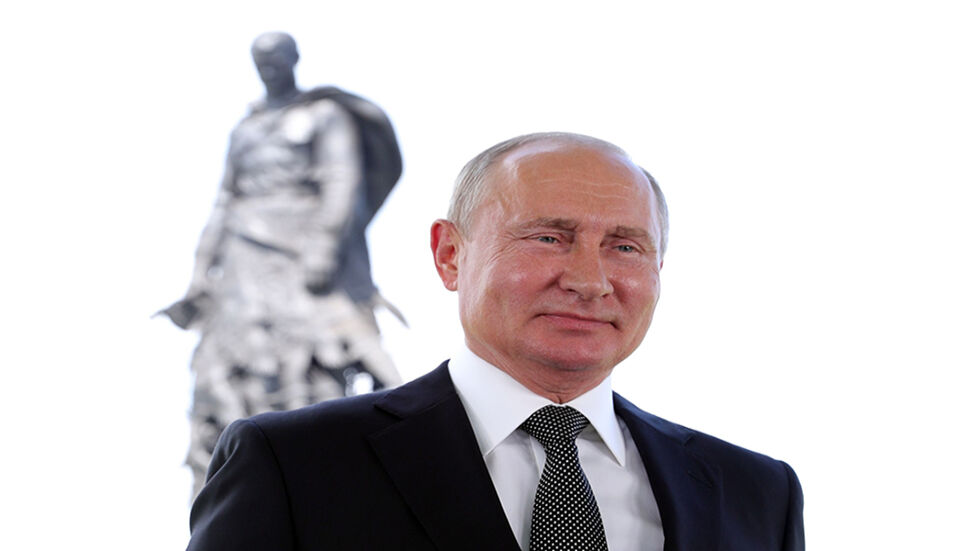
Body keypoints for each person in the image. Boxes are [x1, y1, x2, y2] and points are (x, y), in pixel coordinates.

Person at [186, 132, 805, 550]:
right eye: (549, 238)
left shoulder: (757, 493)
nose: (590, 281)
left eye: (625, 247)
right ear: (450, 254)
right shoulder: (292, 465)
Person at [161, 31, 403, 497]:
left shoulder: (324, 115)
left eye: (276, 58)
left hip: (301, 250)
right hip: (244, 256)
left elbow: (341, 178)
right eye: (261, 60)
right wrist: (199, 275)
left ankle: (321, 447)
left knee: (322, 348)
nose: (269, 67)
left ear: (293, 59)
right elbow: (224, 201)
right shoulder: (246, 129)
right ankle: (241, 460)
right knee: (238, 355)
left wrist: (323, 247)